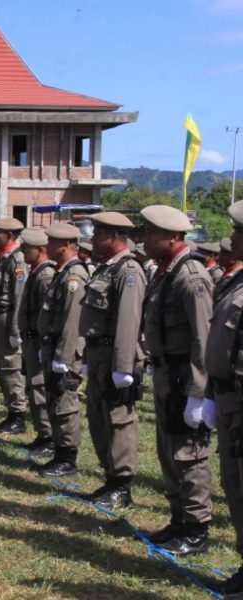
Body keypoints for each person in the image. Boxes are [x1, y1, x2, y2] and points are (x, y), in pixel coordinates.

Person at [141, 204, 214, 557]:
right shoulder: (166, 272)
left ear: (172, 237)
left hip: (185, 378)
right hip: (167, 375)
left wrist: (199, 393)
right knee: (169, 450)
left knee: (189, 454)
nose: (145, 239)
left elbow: (203, 337)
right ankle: (179, 518)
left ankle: (196, 529)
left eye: (151, 233)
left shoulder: (191, 276)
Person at [77, 212, 146, 509]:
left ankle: (121, 485)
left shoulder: (127, 270)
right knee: (99, 418)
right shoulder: (106, 269)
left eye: (98, 233)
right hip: (99, 353)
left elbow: (128, 322)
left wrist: (123, 367)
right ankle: (110, 476)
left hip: (115, 355)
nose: (92, 238)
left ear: (114, 236)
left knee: (118, 420)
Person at [205, 202, 243, 597]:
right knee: (234, 485)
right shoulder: (236, 282)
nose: (231, 239)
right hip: (229, 398)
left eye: (238, 232)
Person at [35, 223, 89, 478]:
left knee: (65, 404)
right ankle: (59, 452)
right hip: (54, 347)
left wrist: (63, 356)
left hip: (64, 351)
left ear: (65, 245)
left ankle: (68, 458)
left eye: (52, 242)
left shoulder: (74, 276)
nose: (47, 246)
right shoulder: (63, 272)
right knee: (55, 400)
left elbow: (72, 321)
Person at [0, 217, 28, 431]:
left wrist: (15, 330)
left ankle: (18, 415)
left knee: (10, 366)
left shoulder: (16, 259)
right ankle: (11, 411)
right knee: (2, 365)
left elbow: (19, 297)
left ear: (10, 235)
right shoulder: (3, 258)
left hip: (8, 317)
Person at [18, 228, 56, 458]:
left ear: (40, 250)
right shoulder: (36, 272)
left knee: (40, 389)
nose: (23, 251)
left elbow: (47, 314)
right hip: (30, 339)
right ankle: (42, 434)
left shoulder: (45, 275)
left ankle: (49, 437)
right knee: (34, 388)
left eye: (26, 248)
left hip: (39, 341)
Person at [216, 237, 242, 303]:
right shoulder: (228, 271)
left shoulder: (237, 274)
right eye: (220, 251)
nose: (219, 256)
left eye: (224, 253)